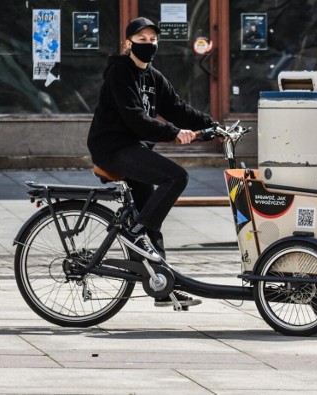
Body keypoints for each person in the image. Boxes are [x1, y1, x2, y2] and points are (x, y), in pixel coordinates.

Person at [87, 17, 215, 307]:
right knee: (175, 177)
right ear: (128, 43)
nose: (148, 44)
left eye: (152, 40)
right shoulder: (120, 72)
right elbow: (136, 118)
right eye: (141, 39)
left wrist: (212, 125)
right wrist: (174, 133)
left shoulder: (153, 77)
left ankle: (161, 286)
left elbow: (177, 108)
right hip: (113, 147)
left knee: (150, 215)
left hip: (134, 147)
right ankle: (135, 233)